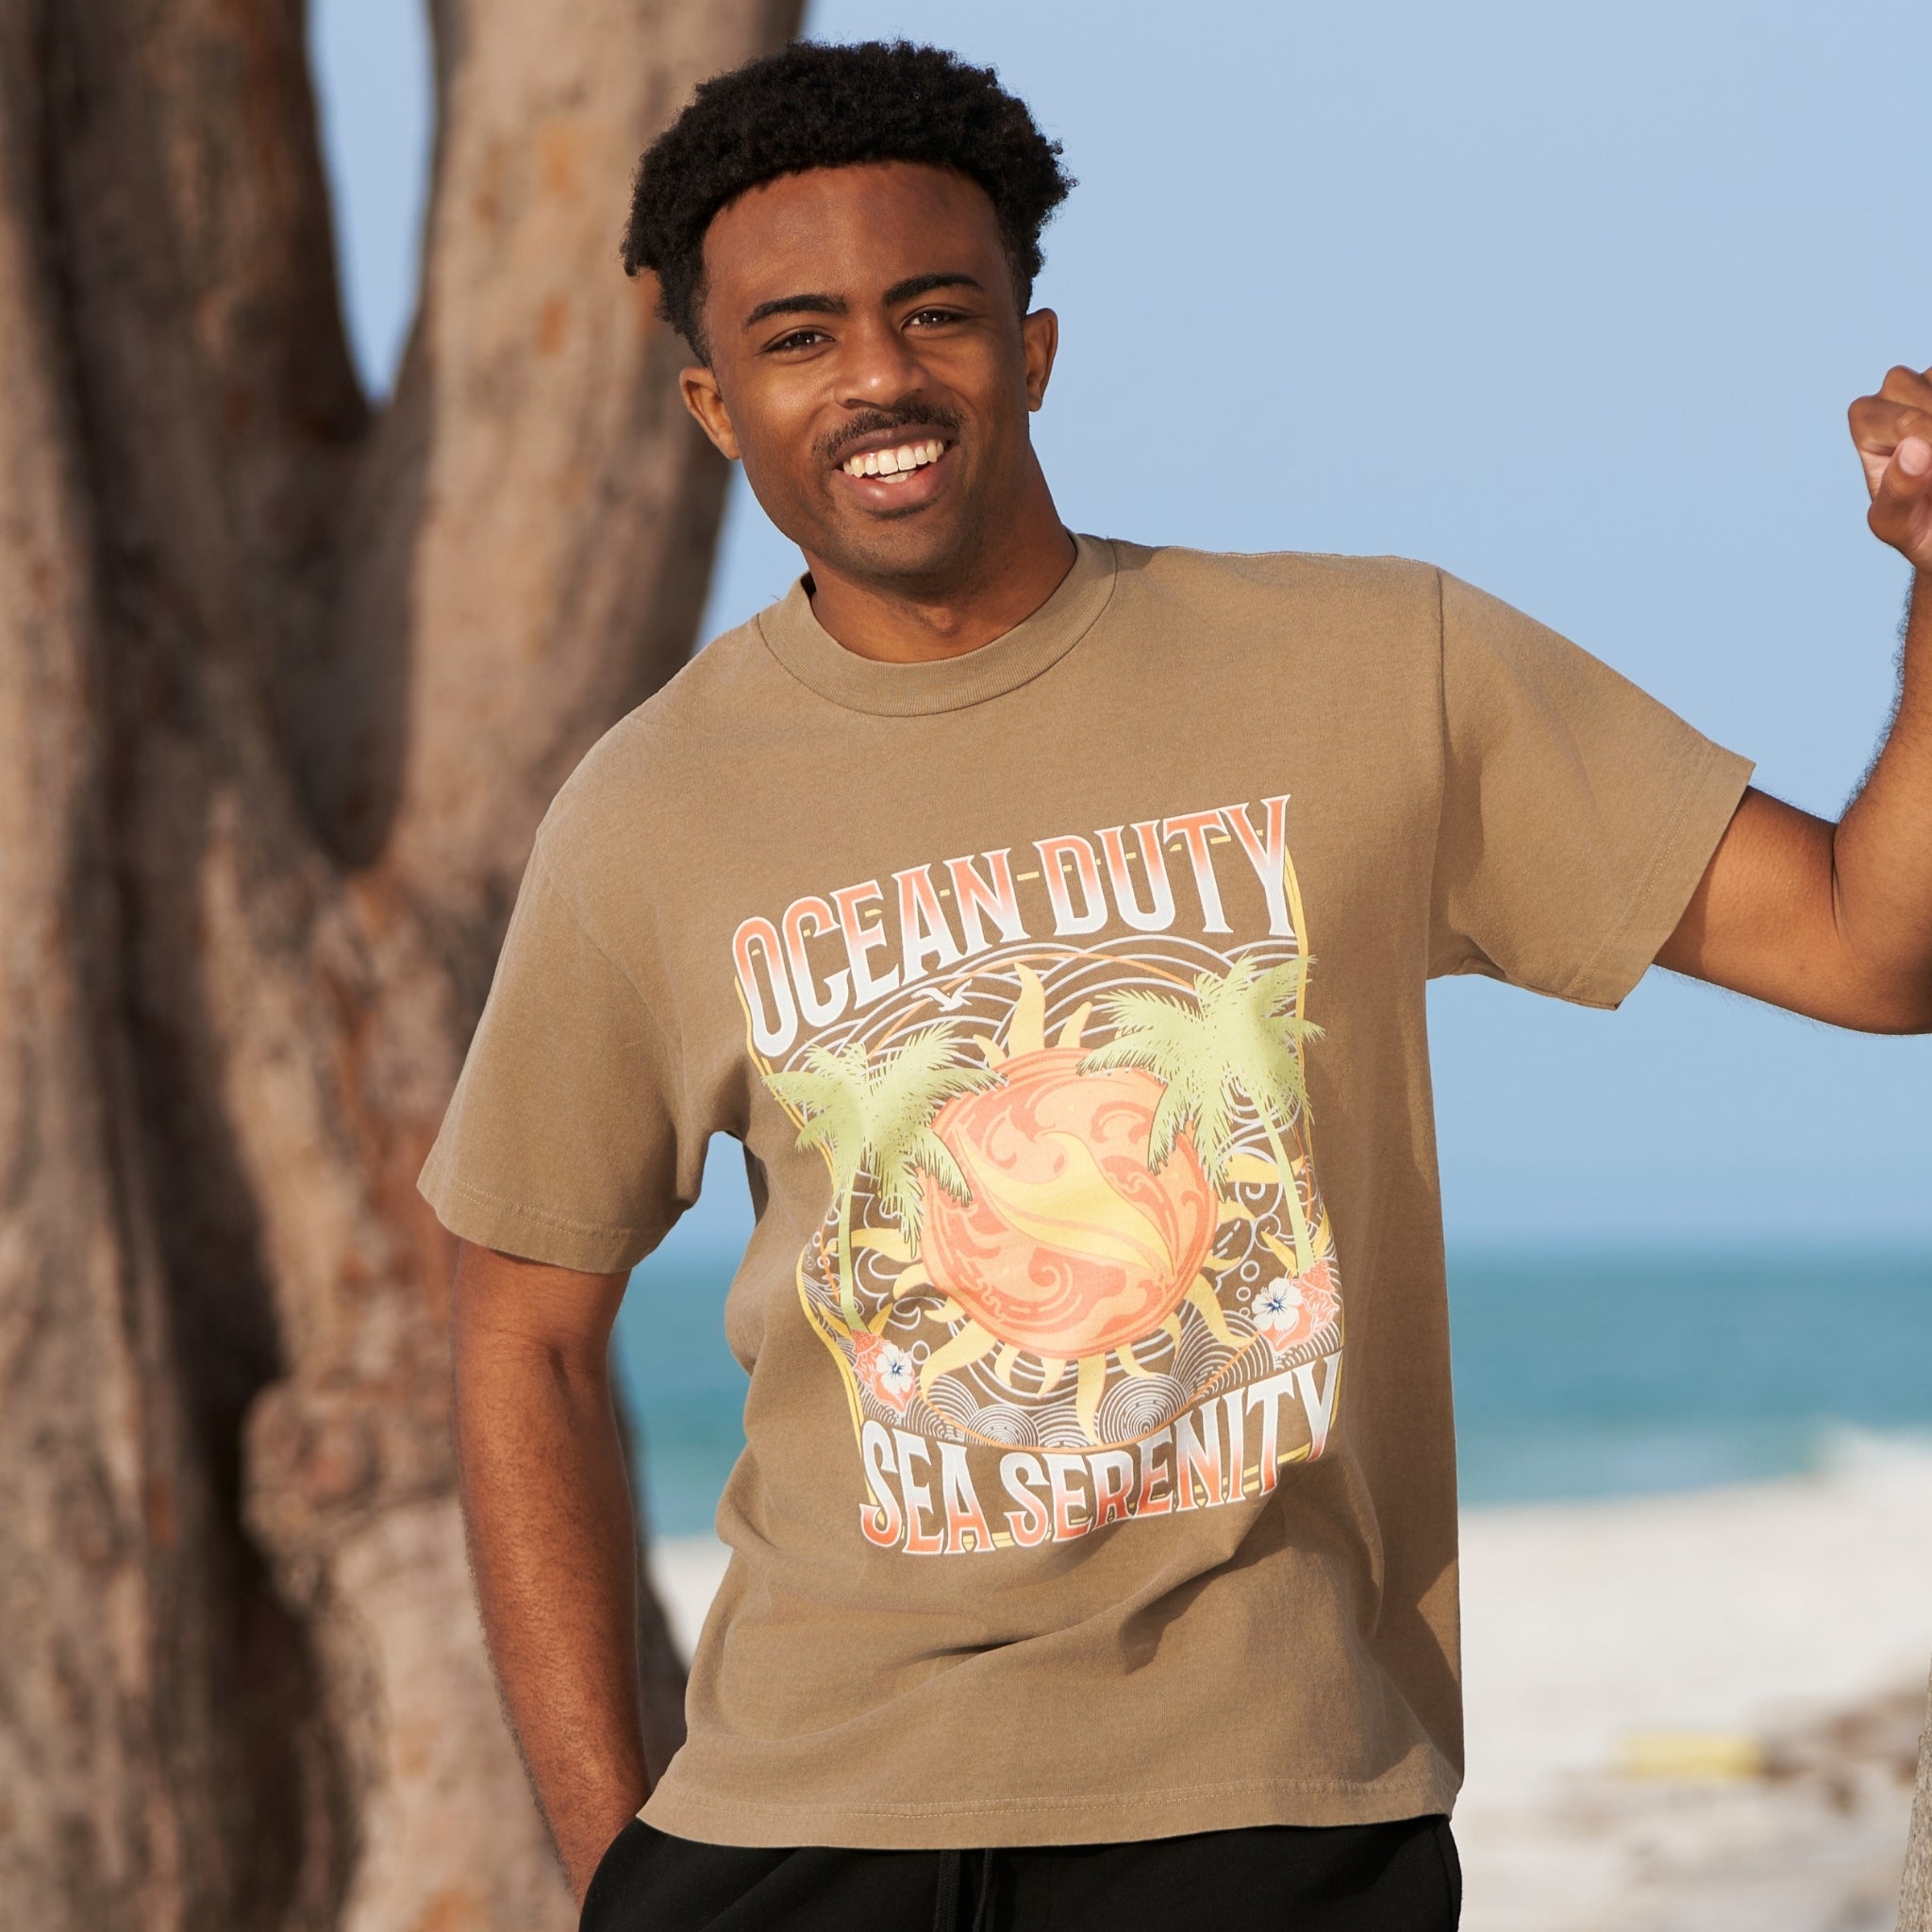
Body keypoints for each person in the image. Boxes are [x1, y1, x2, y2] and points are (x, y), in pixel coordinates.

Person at [419, 38, 1932, 1932]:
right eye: (800, 337)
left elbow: (1877, 948)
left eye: (932, 312)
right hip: (799, 1825)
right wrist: (609, 1865)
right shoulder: (651, 812)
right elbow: (521, 1328)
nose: (878, 375)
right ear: (717, 408)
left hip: (1268, 1813)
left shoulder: (1376, 670)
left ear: (1031, 351)